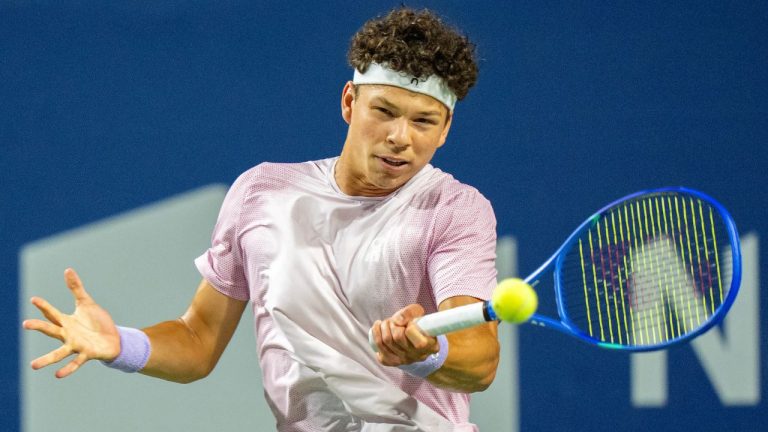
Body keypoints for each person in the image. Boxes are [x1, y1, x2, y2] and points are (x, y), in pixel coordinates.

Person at [23, 7, 500, 431]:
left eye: (423, 121)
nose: (400, 137)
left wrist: (428, 353)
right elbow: (198, 340)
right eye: (385, 111)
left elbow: (480, 360)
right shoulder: (262, 192)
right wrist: (119, 344)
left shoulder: (455, 210)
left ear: (445, 129)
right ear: (350, 103)